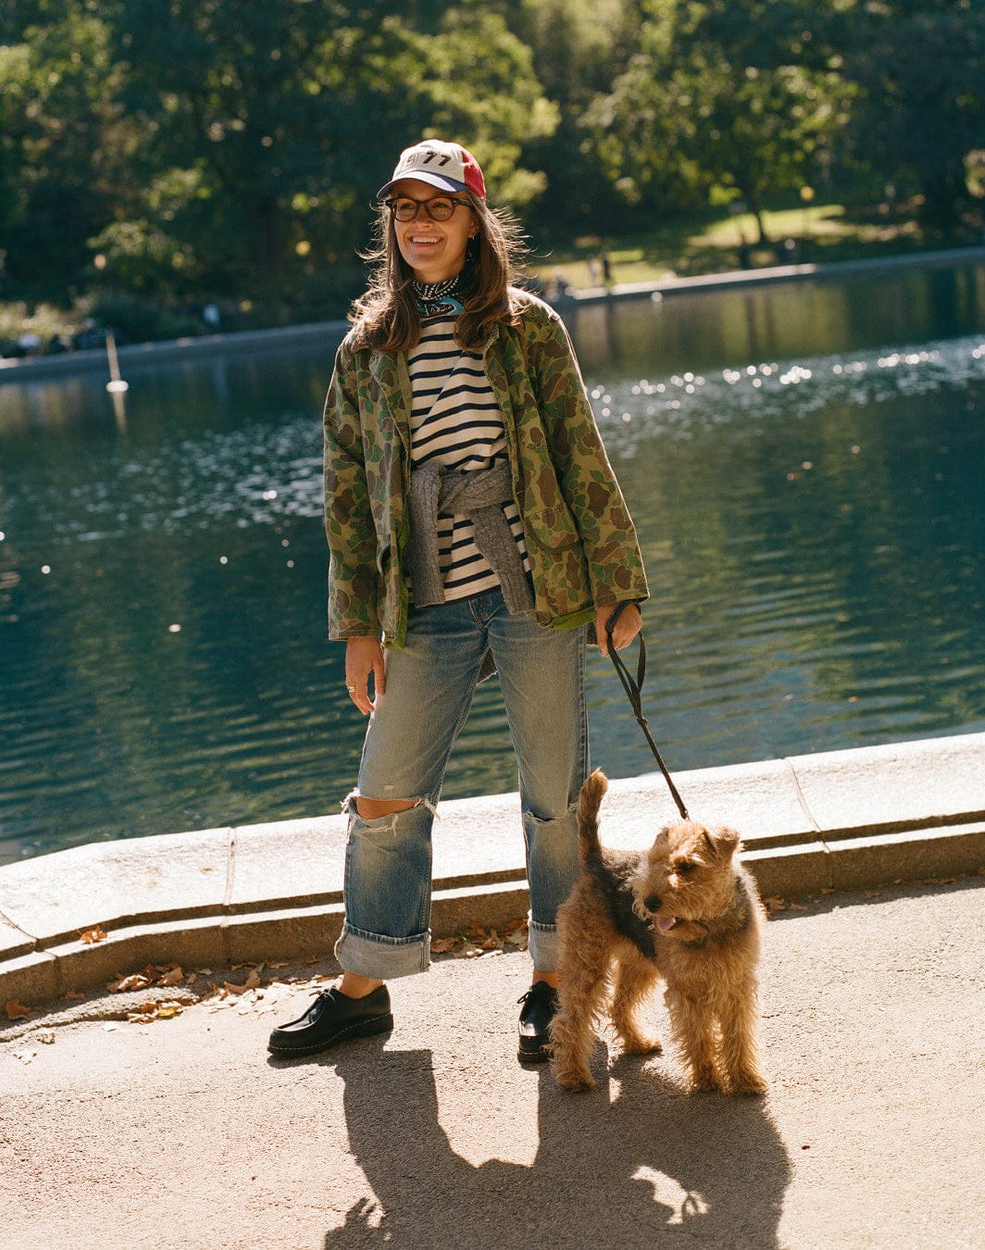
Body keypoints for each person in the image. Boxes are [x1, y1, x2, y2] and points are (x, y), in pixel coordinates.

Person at [267, 138, 647, 1064]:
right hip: (422, 601)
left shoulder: (527, 327)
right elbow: (346, 495)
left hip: (536, 587)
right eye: (406, 209)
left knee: (555, 800)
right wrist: (358, 626)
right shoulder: (366, 349)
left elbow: (580, 452)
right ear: (391, 227)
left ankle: (556, 986)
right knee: (385, 796)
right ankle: (364, 988)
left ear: (474, 222)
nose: (421, 224)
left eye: (439, 207)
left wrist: (617, 584)